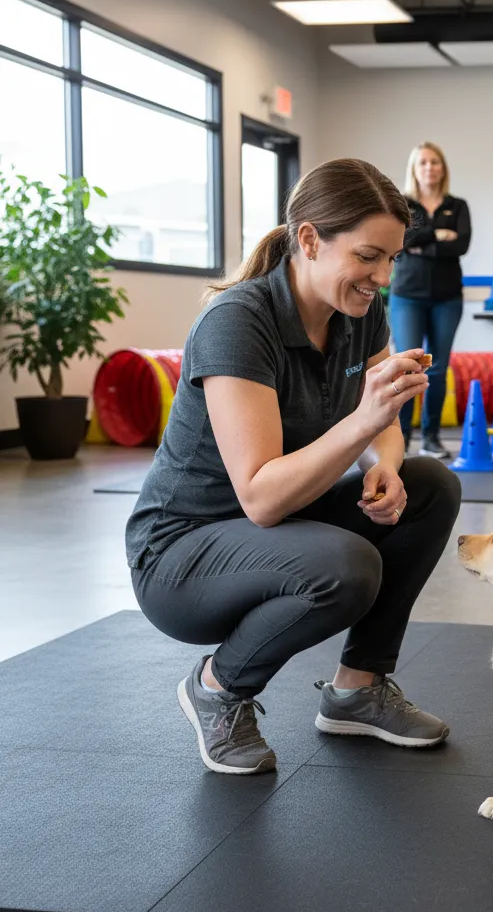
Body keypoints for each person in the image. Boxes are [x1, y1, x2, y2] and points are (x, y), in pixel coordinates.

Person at [125, 158, 462, 776]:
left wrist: (385, 464)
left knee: (429, 485)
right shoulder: (238, 322)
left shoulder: (360, 315)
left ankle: (357, 689)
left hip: (274, 527)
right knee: (347, 567)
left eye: (391, 260)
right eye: (368, 257)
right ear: (309, 239)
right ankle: (217, 689)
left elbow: (382, 418)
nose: (382, 278)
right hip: (181, 558)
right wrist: (365, 421)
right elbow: (260, 497)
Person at [388, 141, 471, 460]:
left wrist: (424, 241)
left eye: (434, 162)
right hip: (408, 296)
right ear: (414, 168)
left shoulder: (458, 205)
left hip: (447, 299)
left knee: (436, 369)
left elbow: (461, 244)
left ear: (443, 168)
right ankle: (402, 438)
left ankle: (432, 438)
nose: (429, 167)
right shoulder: (403, 205)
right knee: (408, 367)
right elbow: (403, 239)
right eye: (423, 162)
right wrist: (439, 235)